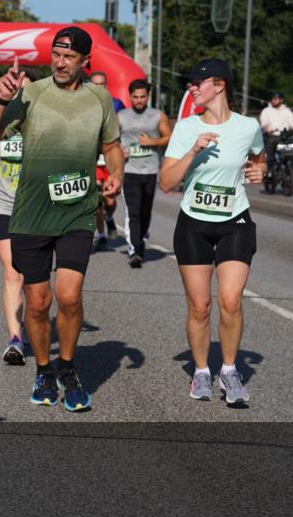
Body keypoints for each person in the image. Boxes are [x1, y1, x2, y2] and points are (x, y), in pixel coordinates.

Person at [0, 28, 123, 412]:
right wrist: (2, 100)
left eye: (69, 57)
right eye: (56, 54)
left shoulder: (100, 98)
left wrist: (117, 175)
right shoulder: (31, 93)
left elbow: (111, 146)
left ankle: (69, 369)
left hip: (77, 210)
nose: (60, 62)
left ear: (85, 62)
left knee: (69, 296)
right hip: (31, 213)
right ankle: (43, 370)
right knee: (38, 303)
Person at [159, 58, 265, 404]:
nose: (191, 87)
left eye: (197, 82)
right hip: (194, 224)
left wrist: (257, 171)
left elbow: (259, 158)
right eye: (190, 83)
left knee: (231, 301)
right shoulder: (186, 127)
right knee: (200, 305)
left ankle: (230, 372)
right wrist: (192, 151)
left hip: (234, 222)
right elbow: (166, 183)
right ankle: (202, 373)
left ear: (219, 85)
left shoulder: (248, 126)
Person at [0, 75, 32, 364]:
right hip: (4, 202)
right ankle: (15, 338)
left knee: (35, 280)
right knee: (13, 273)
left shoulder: (41, 120)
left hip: (37, 207)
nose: (19, 91)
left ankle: (34, 324)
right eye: (15, 85)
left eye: (25, 87)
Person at [119, 79, 171, 268]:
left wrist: (152, 143)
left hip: (150, 170)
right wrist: (119, 149)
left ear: (148, 96)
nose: (139, 101)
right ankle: (134, 251)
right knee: (133, 212)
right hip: (129, 169)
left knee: (145, 212)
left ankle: (140, 241)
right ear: (130, 97)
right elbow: (111, 140)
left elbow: (168, 137)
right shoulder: (121, 116)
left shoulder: (158, 115)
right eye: (135, 97)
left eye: (142, 97)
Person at [89, 72, 122, 249]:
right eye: (95, 84)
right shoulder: (83, 104)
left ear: (107, 86)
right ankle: (101, 235)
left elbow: (125, 128)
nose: (98, 88)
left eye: (102, 84)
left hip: (109, 158)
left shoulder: (117, 105)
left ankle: (109, 217)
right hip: (92, 159)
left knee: (110, 201)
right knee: (96, 201)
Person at [258, 91, 293, 183]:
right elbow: (264, 122)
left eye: (276, 99)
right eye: (273, 99)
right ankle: (269, 170)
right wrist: (267, 128)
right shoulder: (267, 111)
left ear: (281, 100)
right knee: (270, 148)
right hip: (272, 136)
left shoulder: (287, 111)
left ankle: (287, 167)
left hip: (283, 137)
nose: (273, 100)